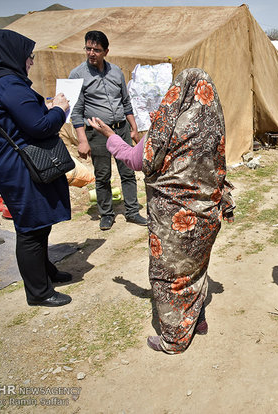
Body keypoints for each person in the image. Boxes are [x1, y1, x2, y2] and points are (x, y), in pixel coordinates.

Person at [86, 68, 234, 354]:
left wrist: (108, 135)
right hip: (207, 214)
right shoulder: (214, 123)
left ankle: (174, 340)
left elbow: (135, 158)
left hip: (173, 217)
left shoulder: (168, 125)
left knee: (170, 276)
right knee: (195, 271)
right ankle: (197, 321)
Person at [0, 29, 73, 306]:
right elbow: (39, 127)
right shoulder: (9, 86)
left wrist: (44, 106)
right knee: (31, 229)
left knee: (38, 224)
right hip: (22, 166)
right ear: (13, 56)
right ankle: (39, 292)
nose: (31, 61)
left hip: (4, 160)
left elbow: (15, 120)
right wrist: (59, 109)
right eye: (29, 56)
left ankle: (46, 273)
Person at [69, 30, 146, 231]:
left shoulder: (116, 72)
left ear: (106, 51)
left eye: (96, 50)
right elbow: (76, 112)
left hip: (121, 129)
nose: (91, 53)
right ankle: (106, 214)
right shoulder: (77, 75)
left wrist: (134, 127)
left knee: (128, 172)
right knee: (102, 175)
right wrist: (82, 140)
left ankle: (132, 211)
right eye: (88, 48)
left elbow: (126, 101)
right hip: (97, 133)